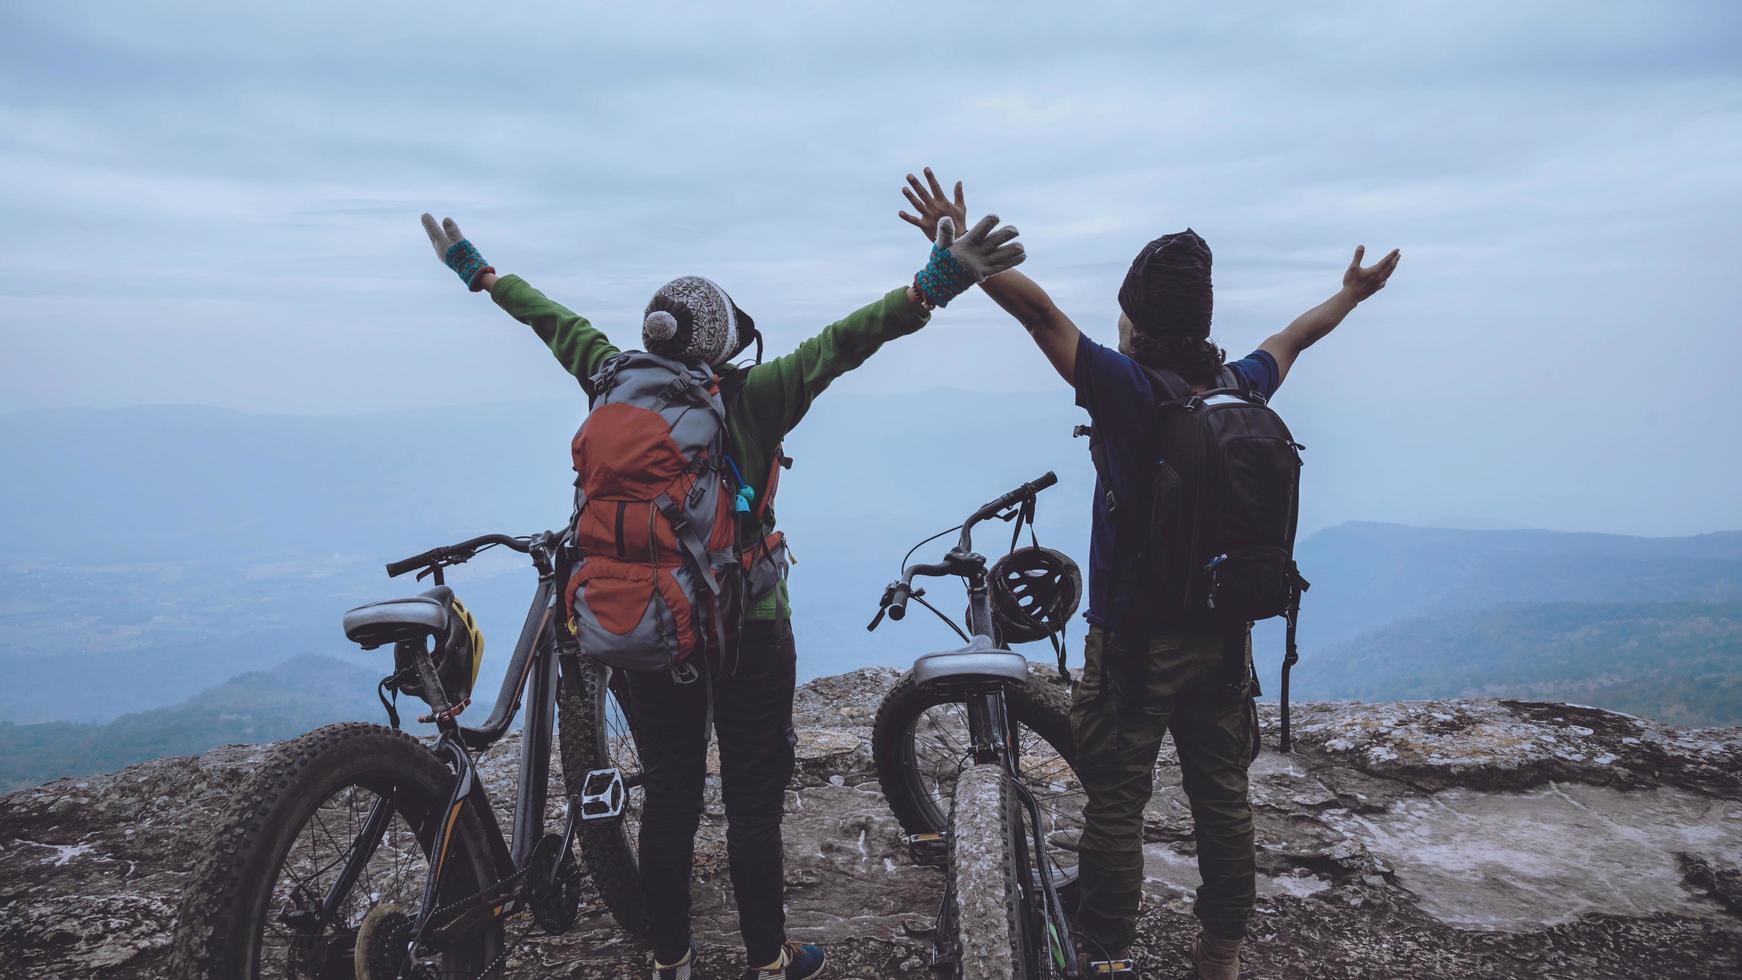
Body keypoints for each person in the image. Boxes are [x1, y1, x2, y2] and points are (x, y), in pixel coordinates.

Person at [417, 208, 1024, 980]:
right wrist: (937, 282)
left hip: (646, 624)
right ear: (719, 341)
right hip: (751, 627)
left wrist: (479, 270)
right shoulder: (753, 398)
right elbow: (845, 342)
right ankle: (768, 958)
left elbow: (551, 319)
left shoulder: (607, 374)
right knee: (752, 801)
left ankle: (671, 960)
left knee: (670, 795)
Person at [897, 169, 1400, 979]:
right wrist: (1354, 294)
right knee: (1222, 800)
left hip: (1135, 641)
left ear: (1134, 322)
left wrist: (963, 257)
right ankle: (1222, 952)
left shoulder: (1126, 389)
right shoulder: (1237, 384)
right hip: (1224, 635)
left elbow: (1039, 314)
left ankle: (1104, 944)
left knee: (1117, 802)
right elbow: (1297, 337)